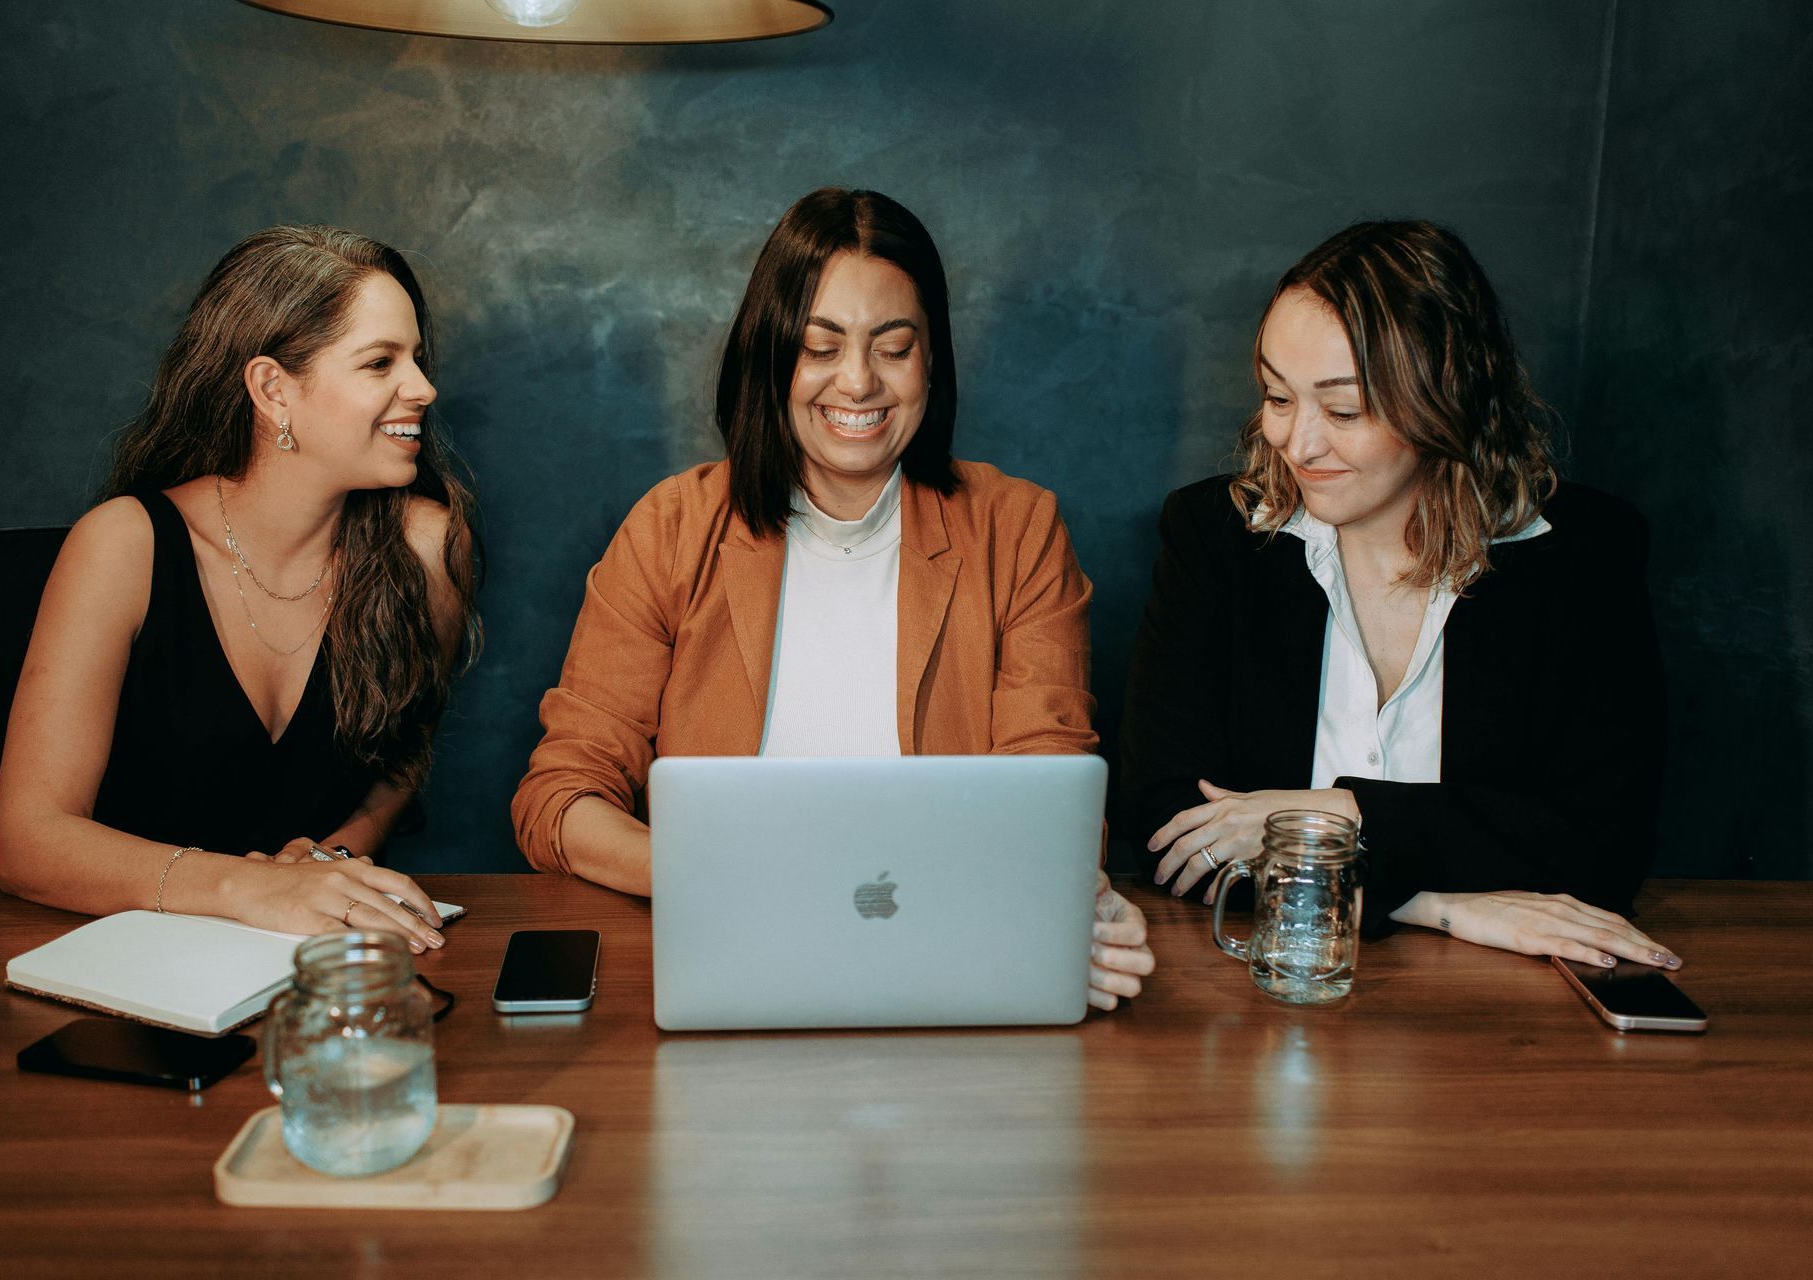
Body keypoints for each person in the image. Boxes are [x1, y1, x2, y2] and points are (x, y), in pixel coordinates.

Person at [512, 187, 1154, 1010]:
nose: (858, 383)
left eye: (894, 347)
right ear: (771, 355)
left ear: (932, 361)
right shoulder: (670, 529)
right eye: (821, 347)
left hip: (944, 962)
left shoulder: (1017, 529)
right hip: (725, 958)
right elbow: (560, 796)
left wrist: (1072, 903)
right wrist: (717, 877)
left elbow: (1047, 790)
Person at [1115, 219, 1677, 971]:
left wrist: (1324, 813)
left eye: (1342, 411)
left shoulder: (1581, 554)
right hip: (1267, 981)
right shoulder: (1216, 537)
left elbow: (1600, 842)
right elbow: (1170, 826)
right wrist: (1438, 903)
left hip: (1494, 1021)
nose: (1297, 442)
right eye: (1277, 398)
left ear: (1446, 399)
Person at [0, 226, 480, 953]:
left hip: (315, 963)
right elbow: (27, 841)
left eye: (417, 358)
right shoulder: (123, 544)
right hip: (122, 962)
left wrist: (334, 860)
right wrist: (252, 889)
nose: (424, 388)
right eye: (380, 362)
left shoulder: (428, 548)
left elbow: (399, 763)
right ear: (271, 389)